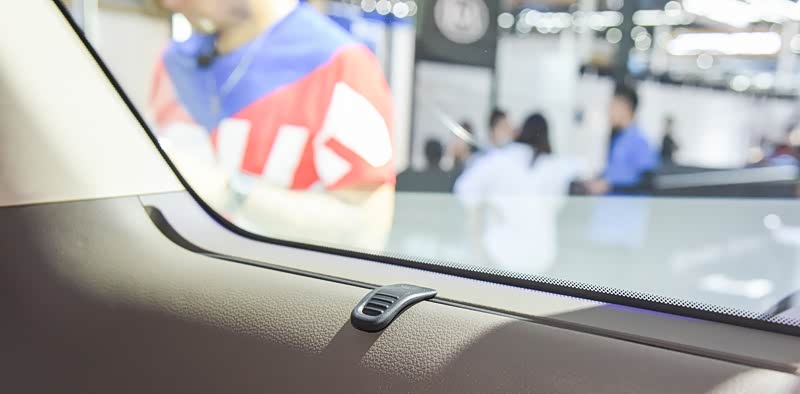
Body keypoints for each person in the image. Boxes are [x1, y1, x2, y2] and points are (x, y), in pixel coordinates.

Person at [150, 0, 396, 250]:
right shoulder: (174, 63)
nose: (169, 3)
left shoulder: (340, 64)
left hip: (274, 270)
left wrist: (229, 192)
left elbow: (366, 229)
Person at [454, 113, 582, 274]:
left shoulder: (501, 159)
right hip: (541, 258)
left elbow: (464, 189)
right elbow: (559, 203)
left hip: (500, 254)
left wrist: (488, 207)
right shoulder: (554, 167)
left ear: (521, 131)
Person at [584, 84, 659, 195]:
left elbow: (648, 182)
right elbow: (616, 173)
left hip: (627, 205)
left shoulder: (639, 141)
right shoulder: (619, 139)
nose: (609, 112)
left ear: (625, 108)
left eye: (612, 107)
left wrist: (611, 186)